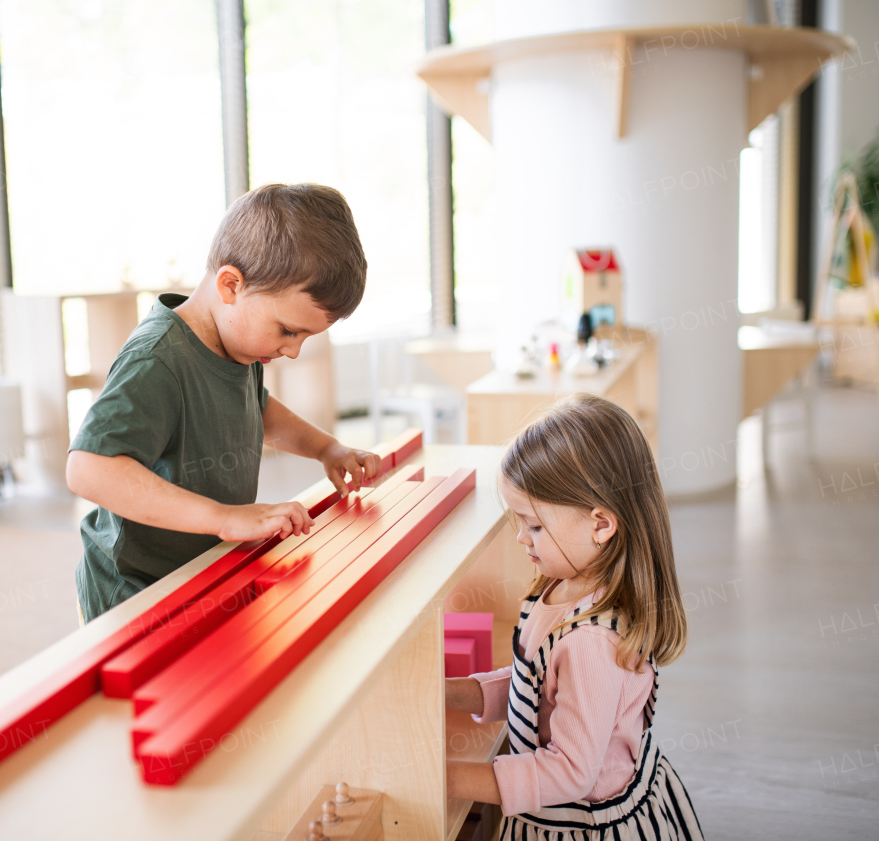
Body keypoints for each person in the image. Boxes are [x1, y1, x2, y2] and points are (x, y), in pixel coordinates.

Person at [66, 183, 382, 623]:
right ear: (231, 285)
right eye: (289, 331)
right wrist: (223, 518)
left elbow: (259, 408)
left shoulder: (239, 344)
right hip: (133, 592)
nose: (293, 351)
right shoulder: (158, 358)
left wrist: (326, 448)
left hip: (198, 571)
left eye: (306, 337)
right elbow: (89, 468)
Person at [445, 393, 704, 839]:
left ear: (601, 524)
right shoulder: (564, 584)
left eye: (535, 526)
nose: (522, 540)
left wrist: (448, 778)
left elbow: (569, 773)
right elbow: (540, 686)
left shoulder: (591, 641)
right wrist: (454, 694)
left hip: (581, 823)